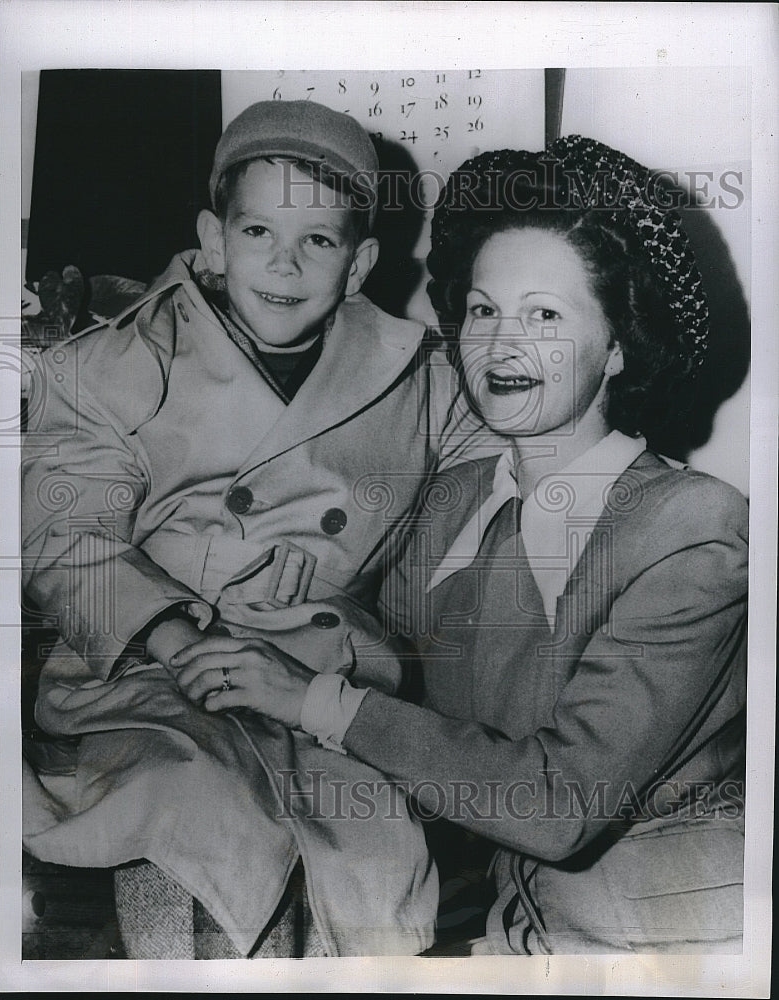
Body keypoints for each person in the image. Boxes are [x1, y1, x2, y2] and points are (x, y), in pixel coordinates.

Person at [172, 136, 749, 954]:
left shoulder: (693, 528)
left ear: (618, 346)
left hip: (680, 942)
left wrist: (312, 700)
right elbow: (395, 670)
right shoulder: (454, 505)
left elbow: (555, 804)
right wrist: (298, 621)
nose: (500, 345)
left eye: (544, 315)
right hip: (510, 937)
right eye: (483, 311)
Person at [21, 99, 502, 958]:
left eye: (317, 241)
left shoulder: (421, 377)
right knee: (195, 808)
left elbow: (487, 506)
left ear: (358, 267)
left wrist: (356, 580)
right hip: (143, 677)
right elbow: (67, 543)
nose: (284, 262)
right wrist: (179, 638)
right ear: (213, 237)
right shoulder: (109, 365)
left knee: (368, 844)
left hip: (321, 674)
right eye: (257, 233)